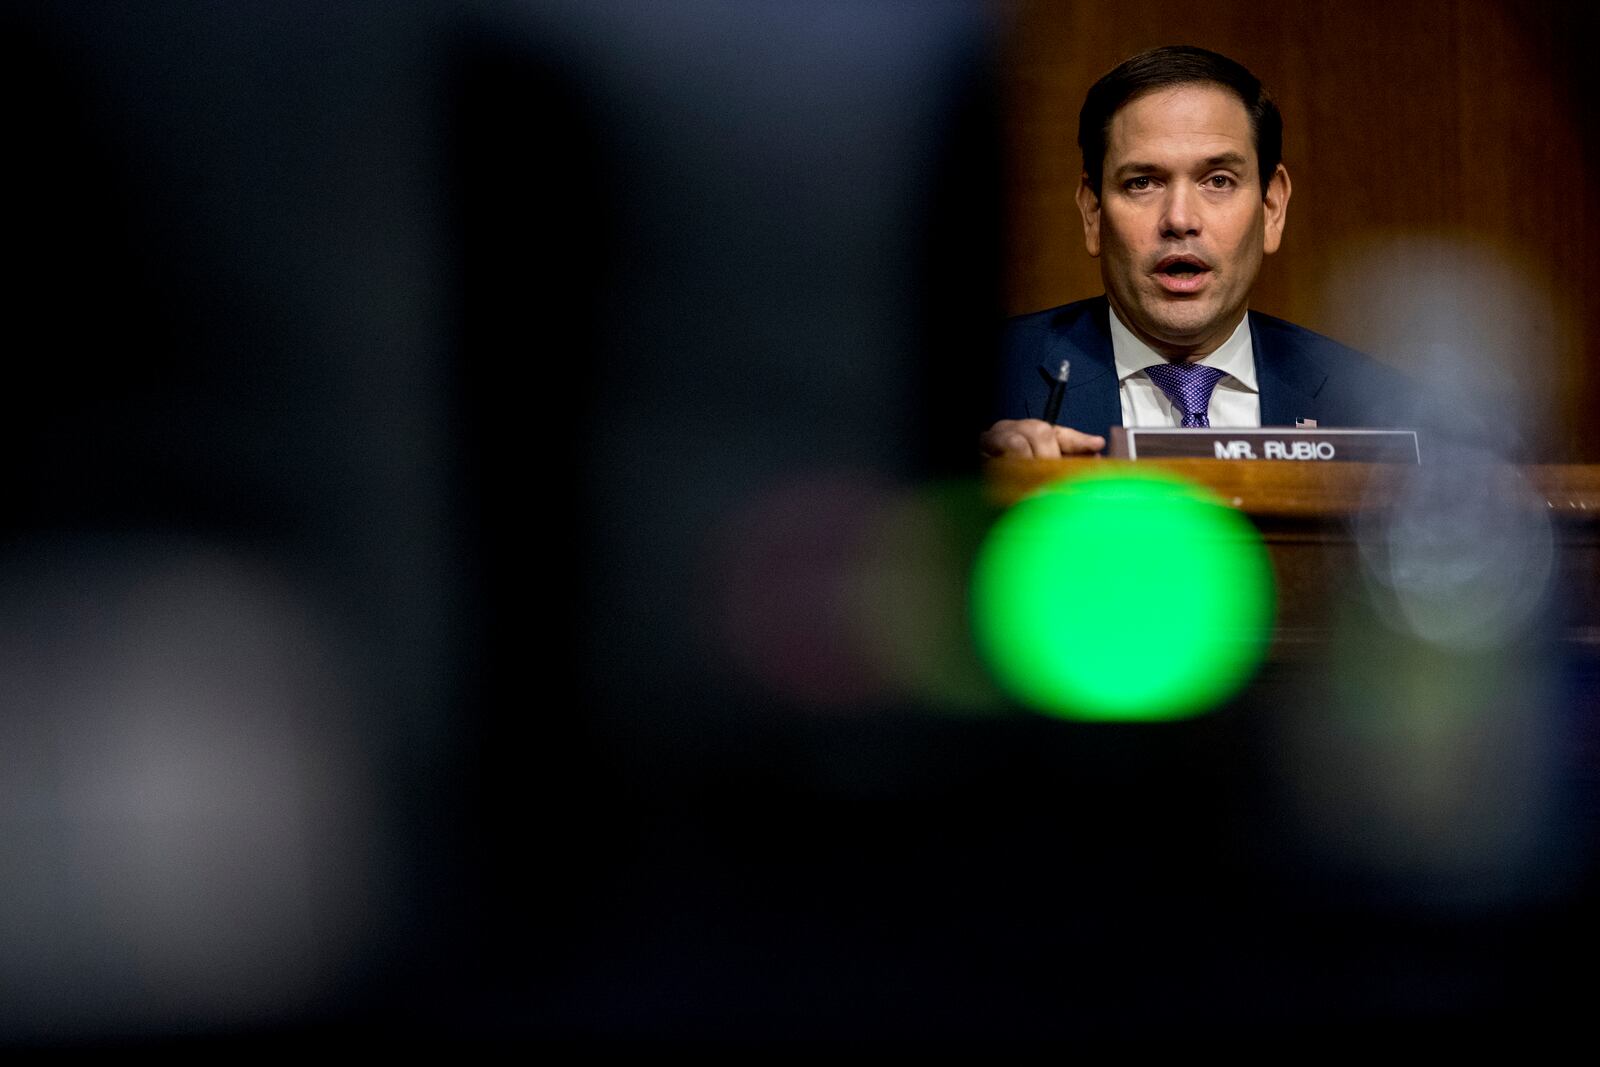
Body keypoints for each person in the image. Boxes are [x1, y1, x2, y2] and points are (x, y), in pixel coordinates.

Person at [982, 46, 1414, 458]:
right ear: (1093, 211)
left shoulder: (1380, 408)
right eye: (1142, 182)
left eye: (1219, 180)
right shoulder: (973, 389)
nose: (1179, 219)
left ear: (1272, 206)